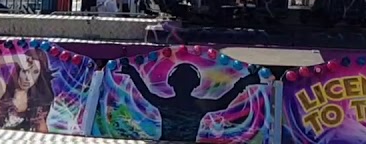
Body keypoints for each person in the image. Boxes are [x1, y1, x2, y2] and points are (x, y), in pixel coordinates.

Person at [112, 59, 262, 142]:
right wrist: (242, 84)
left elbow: (145, 93)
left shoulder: (166, 104)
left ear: (171, 82)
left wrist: (132, 73)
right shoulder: (199, 107)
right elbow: (223, 102)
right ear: (195, 84)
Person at [0, 49, 54, 132]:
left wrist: (42, 126)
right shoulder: (1, 90)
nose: (28, 78)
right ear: (18, 69)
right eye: (25, 71)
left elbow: (42, 136)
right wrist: (15, 58)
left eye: (35, 72)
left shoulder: (39, 104)